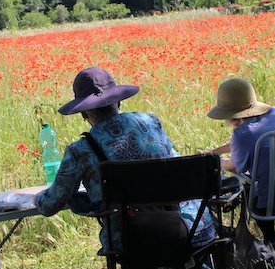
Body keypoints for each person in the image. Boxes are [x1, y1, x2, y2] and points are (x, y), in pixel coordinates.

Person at [34, 67, 216, 254]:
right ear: (119, 102)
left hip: (132, 240)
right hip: (191, 226)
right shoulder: (151, 123)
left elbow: (50, 204)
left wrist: (36, 199)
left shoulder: (80, 150)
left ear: (83, 113)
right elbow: (176, 164)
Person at [204, 78, 275, 255]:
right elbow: (253, 141)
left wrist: (213, 160)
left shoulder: (243, 134)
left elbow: (233, 167)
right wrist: (215, 150)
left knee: (251, 187)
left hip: (270, 202)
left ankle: (271, 239)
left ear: (232, 116)